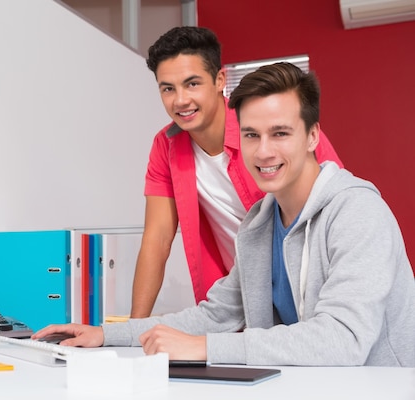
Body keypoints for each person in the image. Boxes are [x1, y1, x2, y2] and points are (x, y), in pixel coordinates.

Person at [33, 62, 415, 367]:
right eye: (251, 135)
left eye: (280, 133)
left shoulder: (357, 212)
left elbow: (343, 340)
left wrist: (204, 348)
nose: (263, 152)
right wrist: (106, 334)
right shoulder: (260, 225)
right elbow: (216, 315)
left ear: (313, 136)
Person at [130, 26, 343, 318]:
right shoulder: (165, 146)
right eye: (168, 88)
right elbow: (157, 238)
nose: (180, 100)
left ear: (219, 80)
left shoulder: (270, 127)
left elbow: (337, 206)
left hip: (308, 285)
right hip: (241, 297)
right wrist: (133, 328)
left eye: (192, 84)